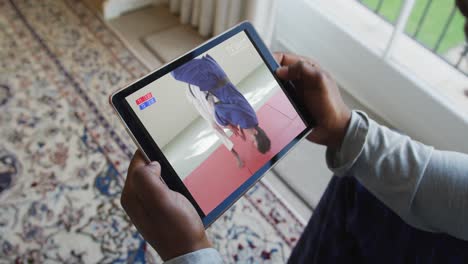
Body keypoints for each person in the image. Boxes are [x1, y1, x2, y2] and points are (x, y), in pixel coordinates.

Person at [120, 1, 468, 263]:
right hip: (208, 81)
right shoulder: (243, 118)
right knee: (357, 183)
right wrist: (347, 130)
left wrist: (189, 252)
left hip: (209, 82)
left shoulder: (243, 119)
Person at [171, 54, 271, 168]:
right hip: (209, 78)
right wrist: (226, 124)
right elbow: (220, 109)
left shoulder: (252, 119)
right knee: (175, 72)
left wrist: (232, 124)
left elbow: (231, 109)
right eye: (254, 141)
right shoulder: (245, 121)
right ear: (256, 133)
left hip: (215, 74)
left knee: (179, 66)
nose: (251, 141)